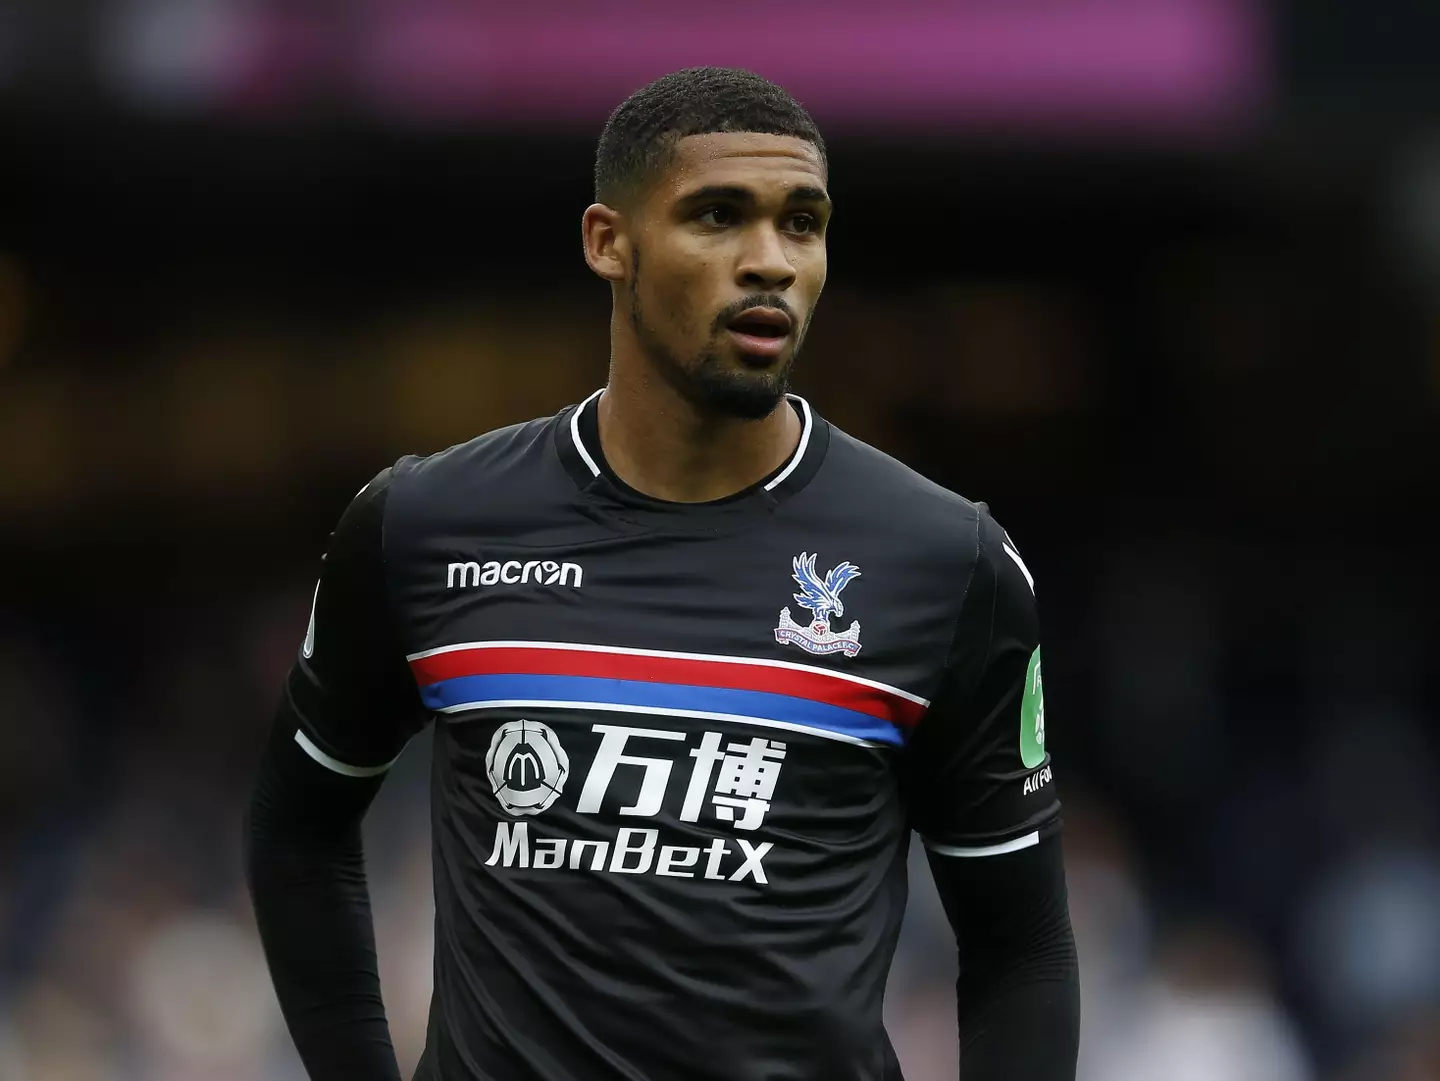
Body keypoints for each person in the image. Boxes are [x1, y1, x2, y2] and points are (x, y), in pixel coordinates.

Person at [244, 66, 1079, 1081]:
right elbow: (297, 828)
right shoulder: (425, 522)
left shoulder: (949, 562)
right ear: (610, 242)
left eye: (802, 223)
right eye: (718, 215)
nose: (769, 260)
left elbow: (1021, 949)